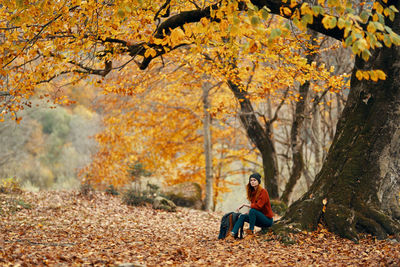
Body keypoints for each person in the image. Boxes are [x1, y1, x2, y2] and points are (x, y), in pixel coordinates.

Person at [226, 172, 274, 241]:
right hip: (259, 219)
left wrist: (244, 204)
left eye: (254, 180)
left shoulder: (263, 192)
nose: (252, 182)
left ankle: (251, 233)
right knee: (242, 216)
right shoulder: (252, 192)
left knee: (252, 210)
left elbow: (258, 206)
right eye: (251, 180)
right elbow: (254, 207)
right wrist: (248, 213)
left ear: (258, 181)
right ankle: (232, 234)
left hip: (267, 220)